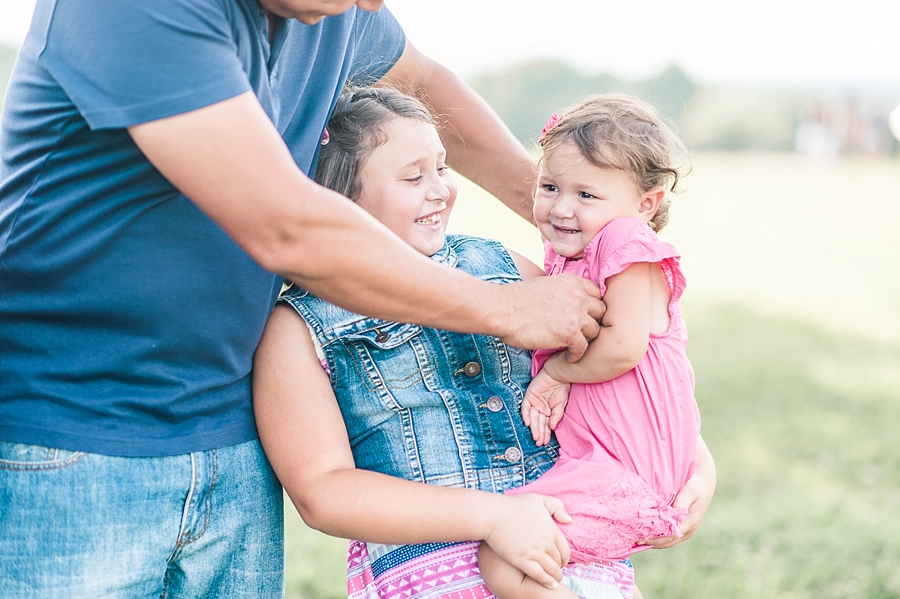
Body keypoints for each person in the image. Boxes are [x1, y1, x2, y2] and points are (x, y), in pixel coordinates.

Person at [0, 2, 605, 597]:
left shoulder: (333, 11)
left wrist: (576, 217)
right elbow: (286, 227)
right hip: (73, 434)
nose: (371, 3)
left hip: (230, 431)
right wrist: (505, 308)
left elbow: (422, 82)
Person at [254, 86, 716, 599]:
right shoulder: (299, 328)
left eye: (443, 168)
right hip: (433, 575)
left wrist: (693, 460)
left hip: (562, 560)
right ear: (336, 196)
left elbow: (626, 371)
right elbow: (323, 491)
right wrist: (495, 517)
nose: (441, 191)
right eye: (414, 176)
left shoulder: (507, 269)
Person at [475, 94, 708, 599]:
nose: (560, 207)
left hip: (627, 479)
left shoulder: (625, 242)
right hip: (608, 470)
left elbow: (624, 346)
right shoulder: (578, 252)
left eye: (586, 195)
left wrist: (555, 374)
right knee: (513, 541)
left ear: (647, 203)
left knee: (504, 549)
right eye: (550, 186)